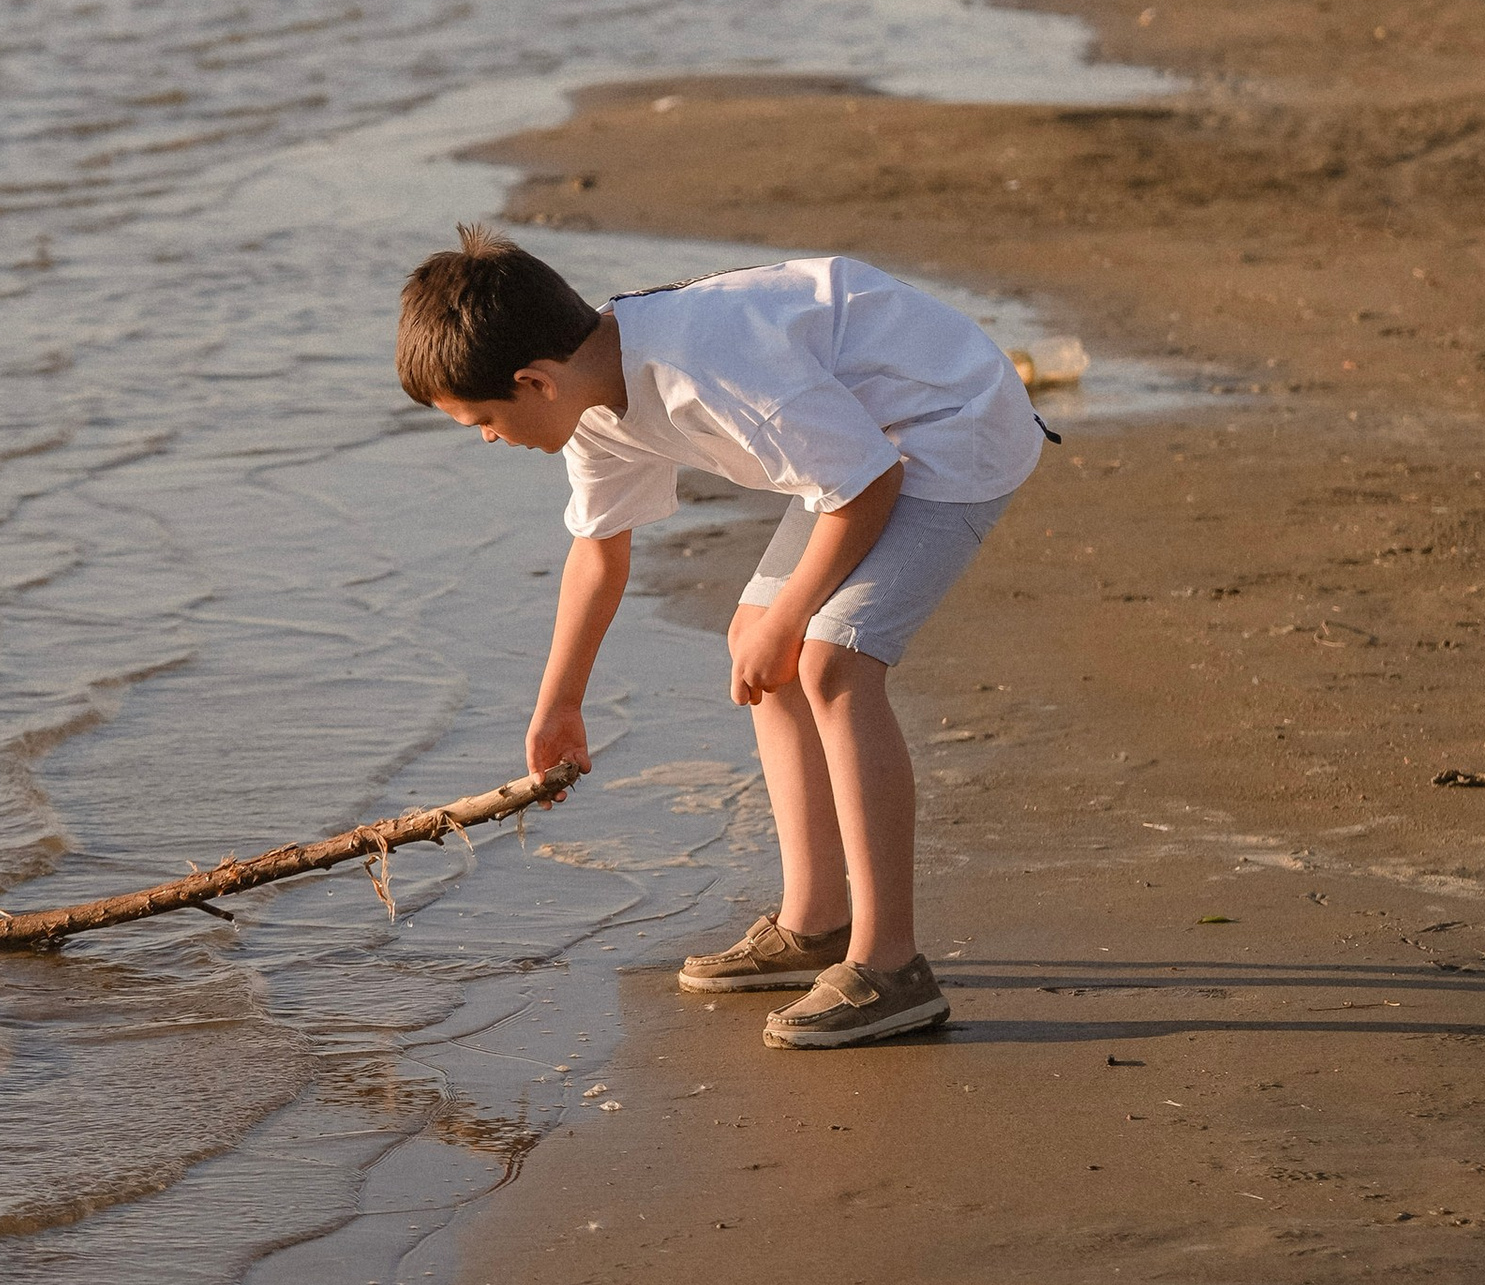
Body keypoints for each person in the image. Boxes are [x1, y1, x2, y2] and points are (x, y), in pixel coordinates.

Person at [396, 224, 1045, 1051]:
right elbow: (599, 553)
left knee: (833, 662)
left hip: (950, 423)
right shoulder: (590, 397)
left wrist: (790, 618)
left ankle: (892, 967)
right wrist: (560, 703)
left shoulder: (699, 368)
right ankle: (815, 923)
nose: (489, 438)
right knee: (756, 641)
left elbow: (870, 486)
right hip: (863, 444)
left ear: (534, 381)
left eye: (484, 420)